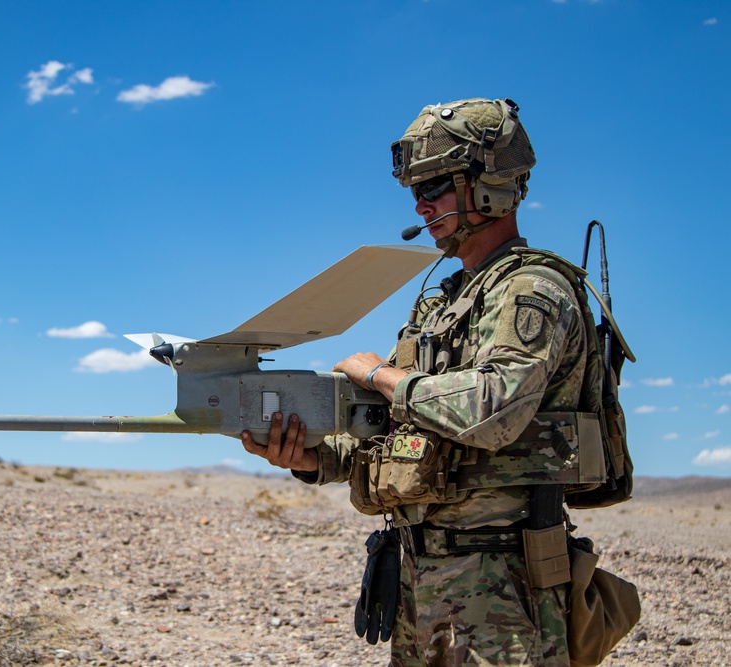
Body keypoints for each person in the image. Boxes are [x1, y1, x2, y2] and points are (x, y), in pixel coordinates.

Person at [242, 97, 605, 666]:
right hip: (422, 575)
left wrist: (380, 374)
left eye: (434, 186)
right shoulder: (441, 304)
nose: (420, 204)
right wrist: (312, 457)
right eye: (416, 190)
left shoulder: (533, 289)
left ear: (489, 188)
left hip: (504, 587)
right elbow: (393, 428)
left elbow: (492, 411)